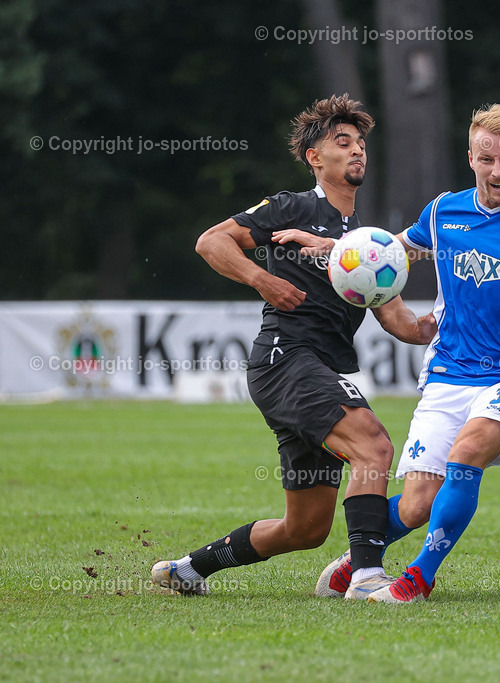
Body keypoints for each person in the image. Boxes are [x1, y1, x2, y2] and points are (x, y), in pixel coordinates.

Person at [305, 104, 500, 603]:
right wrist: (332, 251)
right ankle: (361, 556)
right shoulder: (444, 211)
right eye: (487, 159)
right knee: (419, 501)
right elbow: (385, 255)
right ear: (471, 158)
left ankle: (419, 577)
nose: (498, 171)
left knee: (467, 454)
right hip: (446, 374)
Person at [150, 94, 436, 600]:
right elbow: (211, 241)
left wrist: (463, 311)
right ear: (314, 157)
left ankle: (188, 569)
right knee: (373, 445)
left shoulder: (368, 242)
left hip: (315, 370)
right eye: (342, 143)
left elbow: (407, 326)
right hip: (285, 359)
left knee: (305, 529)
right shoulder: (292, 207)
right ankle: (368, 576)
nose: (357, 152)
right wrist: (264, 280)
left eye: (362, 144)